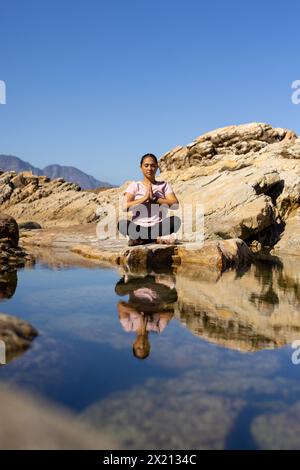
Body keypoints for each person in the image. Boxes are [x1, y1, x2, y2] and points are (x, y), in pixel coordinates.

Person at [117, 153, 181, 246]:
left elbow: (175, 204)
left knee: (175, 221)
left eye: (153, 165)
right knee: (122, 224)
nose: (149, 168)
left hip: (158, 226)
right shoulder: (135, 185)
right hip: (138, 227)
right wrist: (144, 199)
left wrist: (155, 199)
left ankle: (140, 240)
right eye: (146, 165)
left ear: (157, 167)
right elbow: (124, 207)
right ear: (141, 167)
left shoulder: (164, 185)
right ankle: (156, 239)